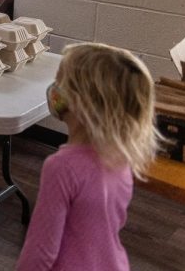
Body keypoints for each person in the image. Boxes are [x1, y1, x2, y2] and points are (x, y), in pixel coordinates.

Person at [17, 43, 160, 271]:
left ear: (81, 102)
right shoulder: (121, 158)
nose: (54, 89)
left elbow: (41, 252)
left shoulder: (61, 167)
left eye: (60, 82)